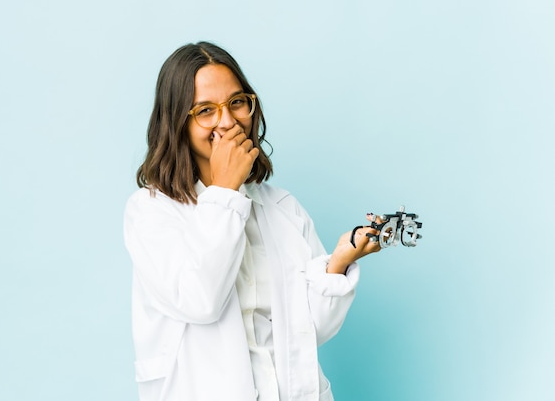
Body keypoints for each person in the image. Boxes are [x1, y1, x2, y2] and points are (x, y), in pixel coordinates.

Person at [123, 41, 382, 401]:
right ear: (176, 122)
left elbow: (310, 332)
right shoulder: (151, 212)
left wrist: (338, 262)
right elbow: (201, 300)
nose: (227, 121)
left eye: (237, 102)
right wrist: (225, 191)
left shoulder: (282, 208)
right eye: (205, 110)